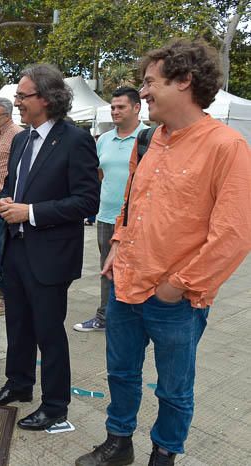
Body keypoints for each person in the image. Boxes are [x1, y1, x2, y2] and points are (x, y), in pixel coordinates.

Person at [76, 39, 251, 466]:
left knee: (173, 389)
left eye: (150, 82)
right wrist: (118, 244)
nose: (143, 92)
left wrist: (178, 286)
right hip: (125, 285)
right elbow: (129, 202)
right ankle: (118, 443)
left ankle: (164, 453)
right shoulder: (149, 140)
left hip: (175, 300)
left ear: (185, 80)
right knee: (121, 374)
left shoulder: (226, 146)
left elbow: (234, 234)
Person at [0, 64, 99, 431]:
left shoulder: (76, 140)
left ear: (46, 98)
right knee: (17, 325)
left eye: (21, 95)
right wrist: (7, 202)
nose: (16, 102)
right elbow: (15, 187)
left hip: (50, 257)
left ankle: (55, 405)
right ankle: (18, 385)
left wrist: (29, 212)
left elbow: (86, 201)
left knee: (49, 332)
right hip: (15, 253)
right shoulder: (20, 139)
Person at [73, 87, 148, 333]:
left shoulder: (149, 137)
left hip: (139, 219)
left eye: (121, 107)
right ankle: (105, 317)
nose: (115, 111)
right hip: (107, 217)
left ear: (136, 108)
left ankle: (136, 317)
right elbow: (99, 174)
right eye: (113, 107)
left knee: (139, 268)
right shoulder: (104, 139)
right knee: (108, 268)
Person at [0, 97, 23, 315]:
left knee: (6, 249)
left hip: (4, 199)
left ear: (8, 116)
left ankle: (12, 295)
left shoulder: (16, 134)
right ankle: (2, 284)